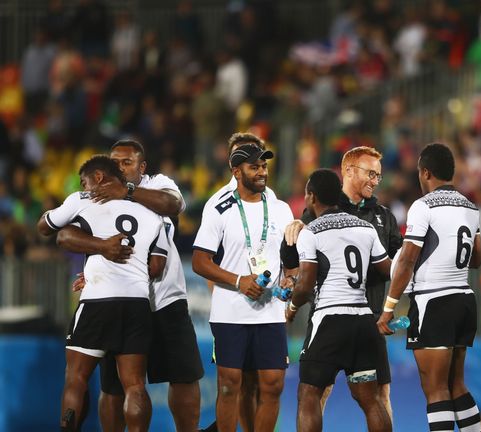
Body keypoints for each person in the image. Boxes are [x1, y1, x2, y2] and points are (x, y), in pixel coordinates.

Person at [57, 139, 203, 432]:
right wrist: (98, 274)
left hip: (165, 297)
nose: (120, 168)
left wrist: (129, 191)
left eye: (127, 162)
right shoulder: (100, 195)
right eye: (115, 162)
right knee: (113, 387)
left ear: (142, 167)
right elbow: (73, 234)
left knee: (182, 374)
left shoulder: (158, 183)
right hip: (123, 300)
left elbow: (173, 205)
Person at [37, 155, 168, 432]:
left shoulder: (82, 200)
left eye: (84, 180)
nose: (84, 186)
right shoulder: (151, 211)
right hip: (137, 303)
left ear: (97, 178)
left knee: (76, 378)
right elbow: (156, 266)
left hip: (98, 300)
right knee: (134, 384)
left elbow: (50, 231)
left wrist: (100, 247)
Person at [283, 146, 403, 419]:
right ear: (348, 171)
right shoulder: (314, 215)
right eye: (370, 173)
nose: (375, 180)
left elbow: (398, 268)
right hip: (348, 317)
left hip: (364, 317)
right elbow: (392, 268)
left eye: (378, 176)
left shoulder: (384, 217)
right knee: (331, 391)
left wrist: (291, 307)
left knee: (377, 394)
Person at [377, 143, 481, 432]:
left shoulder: (423, 206)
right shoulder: (470, 207)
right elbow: (477, 258)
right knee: (457, 384)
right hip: (463, 299)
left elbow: (408, 258)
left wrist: (388, 308)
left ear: (425, 172)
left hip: (434, 301)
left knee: (435, 389)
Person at [192, 142, 294, 432]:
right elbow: (200, 261)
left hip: (271, 312)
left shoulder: (281, 208)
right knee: (228, 386)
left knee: (273, 386)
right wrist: (239, 281)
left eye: (264, 166)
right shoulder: (218, 207)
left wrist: (290, 279)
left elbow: (290, 259)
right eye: (254, 167)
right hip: (230, 312)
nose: (262, 172)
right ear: (236, 171)